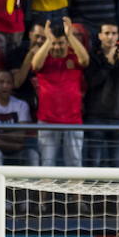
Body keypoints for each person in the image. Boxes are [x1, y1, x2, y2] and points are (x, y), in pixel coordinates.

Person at [31, 18, 89, 167]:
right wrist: (48, 40)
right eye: (54, 43)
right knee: (47, 164)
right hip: (47, 120)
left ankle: (76, 192)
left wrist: (70, 35)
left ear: (67, 43)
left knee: (75, 165)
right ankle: (44, 192)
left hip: (73, 120)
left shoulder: (73, 57)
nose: (57, 46)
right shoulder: (44, 59)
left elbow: (85, 60)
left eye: (61, 43)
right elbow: (35, 65)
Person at [83, 22, 119, 168]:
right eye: (106, 33)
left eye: (113, 33)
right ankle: (92, 192)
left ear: (118, 36)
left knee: (116, 163)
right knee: (94, 163)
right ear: (99, 36)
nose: (110, 37)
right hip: (95, 116)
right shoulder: (92, 57)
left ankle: (114, 192)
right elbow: (92, 83)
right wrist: (109, 63)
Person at [0, 69, 38, 167]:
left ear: (13, 85)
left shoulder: (21, 105)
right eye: (1, 82)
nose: (5, 86)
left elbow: (21, 136)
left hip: (17, 153)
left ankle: (34, 182)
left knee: (32, 155)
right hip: (2, 149)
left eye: (8, 83)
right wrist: (14, 145)